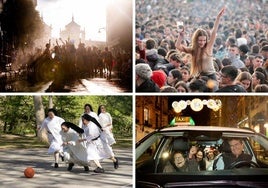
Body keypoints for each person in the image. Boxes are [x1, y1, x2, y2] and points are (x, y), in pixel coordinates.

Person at [175, 7, 225, 80]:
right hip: (200, 76)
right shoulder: (193, 50)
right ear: (196, 40)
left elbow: (214, 32)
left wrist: (218, 17)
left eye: (204, 40)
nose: (202, 42)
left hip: (211, 77)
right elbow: (177, 46)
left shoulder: (208, 46)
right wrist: (181, 36)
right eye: (200, 40)